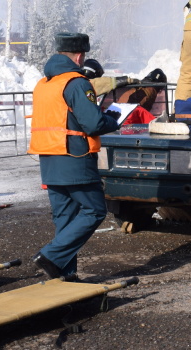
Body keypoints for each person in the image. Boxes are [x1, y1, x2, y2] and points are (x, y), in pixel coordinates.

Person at [28, 32, 122, 280]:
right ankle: (51, 256)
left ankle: (64, 274)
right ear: (80, 55)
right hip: (75, 159)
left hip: (49, 159)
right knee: (94, 211)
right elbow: (92, 123)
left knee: (65, 218)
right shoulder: (76, 82)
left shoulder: (43, 84)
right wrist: (112, 120)